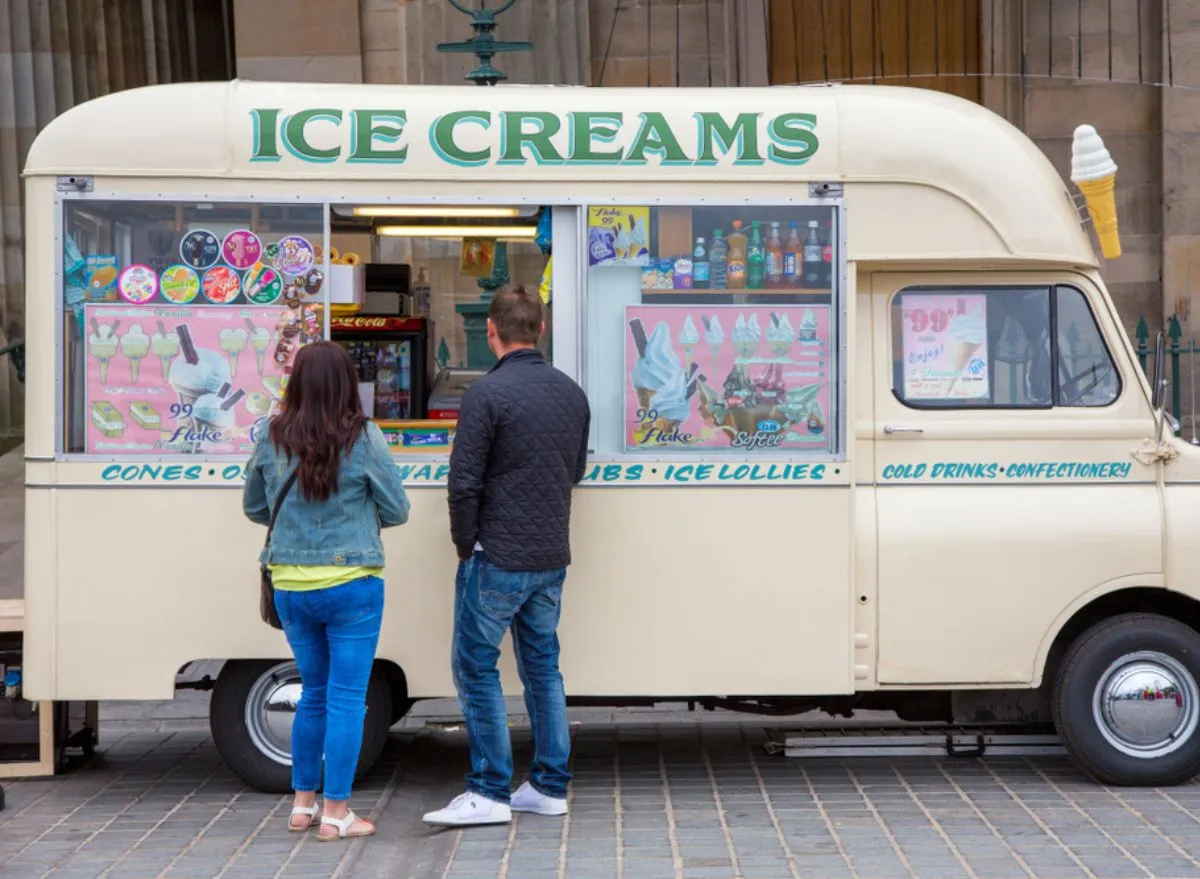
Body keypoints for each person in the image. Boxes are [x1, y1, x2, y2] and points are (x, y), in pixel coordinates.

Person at [423, 285, 590, 827]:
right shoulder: (571, 393)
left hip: (497, 555)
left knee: (475, 667)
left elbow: (463, 482)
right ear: (539, 331)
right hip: (550, 555)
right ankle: (548, 785)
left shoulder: (485, 395)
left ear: (491, 333)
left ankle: (490, 790)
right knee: (543, 667)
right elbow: (576, 473)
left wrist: (465, 544)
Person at [243, 341, 410, 841]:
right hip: (352, 585)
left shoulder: (271, 436)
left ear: (295, 383)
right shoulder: (364, 437)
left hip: (290, 586)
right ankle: (337, 813)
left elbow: (254, 508)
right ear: (347, 385)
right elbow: (398, 510)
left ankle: (302, 804)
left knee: (312, 693)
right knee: (345, 699)